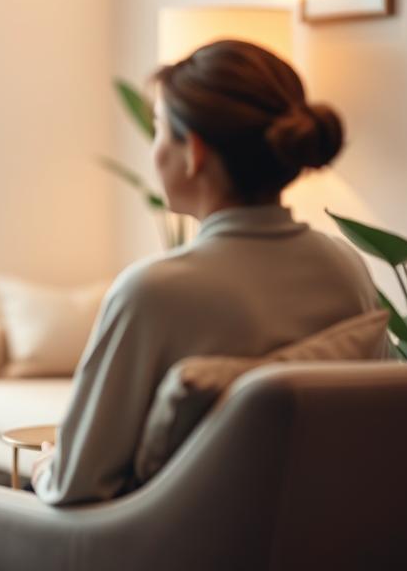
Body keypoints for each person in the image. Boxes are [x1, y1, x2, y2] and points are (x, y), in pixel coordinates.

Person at [30, 39, 379, 506]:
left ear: (193, 151)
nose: (153, 151)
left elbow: (77, 483)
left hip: (167, 548)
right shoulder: (346, 268)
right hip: (326, 537)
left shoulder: (153, 293)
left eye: (157, 130)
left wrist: (44, 466)